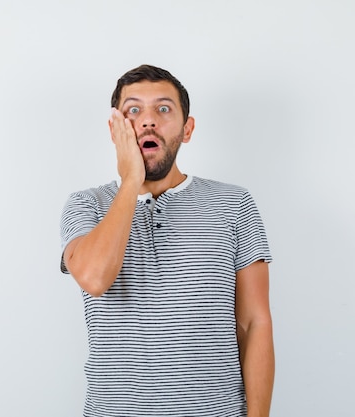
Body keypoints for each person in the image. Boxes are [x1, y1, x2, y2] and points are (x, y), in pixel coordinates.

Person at [59, 64, 274, 417]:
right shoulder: (86, 204)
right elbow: (95, 278)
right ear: (116, 130)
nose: (148, 121)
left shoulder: (234, 203)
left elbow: (254, 322)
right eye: (133, 110)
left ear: (187, 129)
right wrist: (131, 181)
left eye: (163, 109)